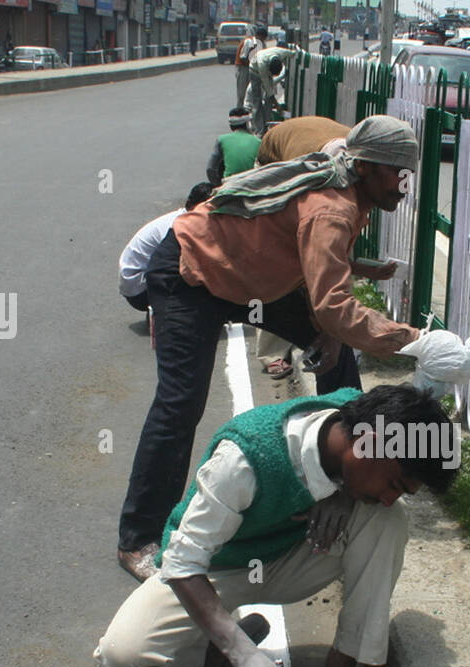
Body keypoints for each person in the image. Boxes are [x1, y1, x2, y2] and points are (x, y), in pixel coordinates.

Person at [115, 116, 421, 582]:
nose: (404, 186)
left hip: (253, 282)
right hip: (190, 274)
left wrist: (335, 323)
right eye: (399, 173)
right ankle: (139, 536)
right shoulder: (334, 204)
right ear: (368, 166)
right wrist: (417, 341)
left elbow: (322, 270)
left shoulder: (346, 184)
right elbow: (335, 303)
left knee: (335, 356)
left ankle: (346, 483)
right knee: (181, 402)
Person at [96, 384, 458, 667]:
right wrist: (242, 653)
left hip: (296, 555)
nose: (389, 497)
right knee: (121, 657)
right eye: (394, 483)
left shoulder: (356, 410)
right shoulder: (245, 457)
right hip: (214, 571)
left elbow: (366, 395)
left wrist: (343, 491)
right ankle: (213, 652)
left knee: (387, 521)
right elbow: (182, 562)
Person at [252, 116, 354, 380]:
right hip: (272, 166)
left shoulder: (358, 153)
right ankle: (273, 354)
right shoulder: (304, 169)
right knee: (278, 267)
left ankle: (323, 332)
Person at [118, 183, 214, 329]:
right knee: (197, 273)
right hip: (139, 290)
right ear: (198, 206)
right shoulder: (179, 226)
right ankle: (167, 312)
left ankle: (162, 308)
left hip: (138, 284)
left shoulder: (181, 218)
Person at [206, 107, 262, 187]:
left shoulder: (222, 140)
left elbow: (210, 169)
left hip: (229, 184)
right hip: (252, 185)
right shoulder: (258, 141)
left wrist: (218, 185)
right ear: (247, 124)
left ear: (231, 126)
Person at [245, 44, 290, 136]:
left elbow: (295, 53)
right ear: (269, 71)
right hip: (255, 71)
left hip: (265, 67)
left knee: (268, 101)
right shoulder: (262, 67)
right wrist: (277, 105)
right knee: (257, 102)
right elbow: (268, 89)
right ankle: (260, 130)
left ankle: (267, 122)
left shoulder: (282, 53)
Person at [234, 24, 265, 111]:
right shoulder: (249, 42)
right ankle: (239, 112)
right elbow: (243, 57)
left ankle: (248, 111)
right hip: (244, 69)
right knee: (242, 93)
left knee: (251, 93)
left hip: (252, 70)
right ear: (259, 36)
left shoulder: (260, 44)